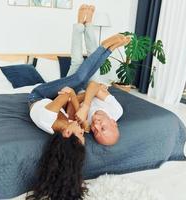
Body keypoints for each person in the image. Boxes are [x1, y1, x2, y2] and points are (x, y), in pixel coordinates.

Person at [26, 4, 129, 200]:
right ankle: (85, 26)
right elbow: (73, 96)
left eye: (82, 133)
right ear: (113, 122)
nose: (90, 129)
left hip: (38, 95)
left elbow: (69, 95)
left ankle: (104, 46)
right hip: (73, 95)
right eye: (87, 133)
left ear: (66, 133)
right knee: (77, 67)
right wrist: (80, 102)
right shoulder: (100, 117)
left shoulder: (54, 121)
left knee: (79, 74)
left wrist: (79, 101)